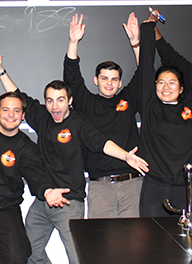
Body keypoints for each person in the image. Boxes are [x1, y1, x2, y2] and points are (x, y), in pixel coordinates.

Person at [0, 49, 148, 264]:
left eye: (60, 100)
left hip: (70, 203)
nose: (54, 106)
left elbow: (101, 143)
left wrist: (126, 156)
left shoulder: (79, 123)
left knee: (79, 258)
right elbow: (18, 95)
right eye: (50, 101)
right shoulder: (42, 118)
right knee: (29, 253)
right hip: (42, 202)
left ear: (70, 101)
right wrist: (0, 71)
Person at [0, 92, 71, 264]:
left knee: (18, 257)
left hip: (5, 208)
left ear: (23, 116)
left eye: (16, 111)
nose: (10, 115)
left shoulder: (26, 147)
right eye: (5, 110)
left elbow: (34, 173)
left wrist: (47, 191)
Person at [63, 13, 143, 218]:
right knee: (99, 246)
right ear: (96, 80)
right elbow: (71, 75)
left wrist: (135, 42)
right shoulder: (87, 103)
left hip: (132, 184)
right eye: (104, 78)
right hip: (100, 187)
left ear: (120, 83)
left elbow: (144, 73)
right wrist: (73, 42)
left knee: (134, 245)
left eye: (114, 79)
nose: (109, 83)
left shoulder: (127, 99)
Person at [137, 17, 192, 217]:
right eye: (161, 82)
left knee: (188, 243)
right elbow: (146, 63)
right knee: (151, 243)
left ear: (181, 89)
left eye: (172, 83)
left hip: (187, 186)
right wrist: (148, 27)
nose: (165, 87)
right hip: (155, 186)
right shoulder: (149, 105)